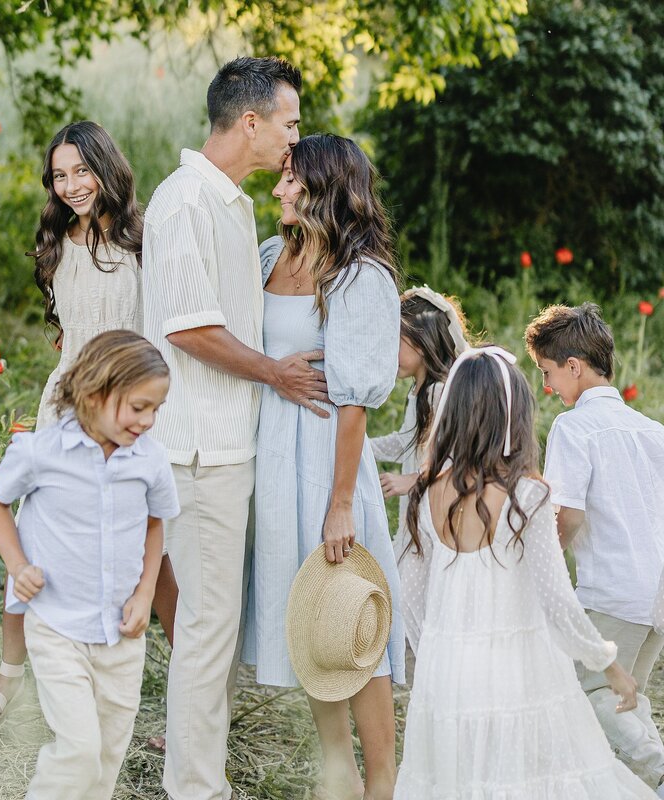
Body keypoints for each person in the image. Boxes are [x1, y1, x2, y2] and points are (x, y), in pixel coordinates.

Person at [143, 56, 327, 800]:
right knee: (207, 628)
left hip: (226, 443)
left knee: (210, 626)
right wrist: (276, 373)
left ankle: (197, 773)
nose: (294, 139)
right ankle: (196, 788)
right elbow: (190, 330)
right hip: (196, 447)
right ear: (249, 122)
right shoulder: (184, 200)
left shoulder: (236, 204)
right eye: (289, 123)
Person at [0, 120, 178, 730]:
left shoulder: (143, 241)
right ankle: (8, 679)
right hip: (65, 402)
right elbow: (70, 331)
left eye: (82, 171)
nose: (72, 186)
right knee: (35, 540)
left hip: (129, 404)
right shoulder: (57, 241)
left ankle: (181, 701)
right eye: (60, 176)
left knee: (149, 550)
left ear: (107, 168)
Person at [395, 345, 656, 799]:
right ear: (509, 415)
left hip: (449, 676)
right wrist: (608, 664)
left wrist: (442, 650)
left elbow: (412, 596)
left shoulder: (426, 495)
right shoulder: (526, 497)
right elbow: (558, 601)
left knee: (464, 780)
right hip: (518, 671)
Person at [241, 133, 405, 800]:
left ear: (326, 189)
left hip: (330, 460)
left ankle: (383, 780)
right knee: (316, 623)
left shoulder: (361, 276)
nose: (278, 191)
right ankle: (338, 771)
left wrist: (342, 503)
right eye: (280, 180)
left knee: (352, 616)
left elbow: (354, 402)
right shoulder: (271, 256)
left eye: (292, 182)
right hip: (276, 462)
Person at [0, 329, 180, 800]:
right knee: (79, 751)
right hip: (57, 627)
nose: (149, 420)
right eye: (138, 407)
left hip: (121, 637)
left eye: (156, 408)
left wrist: (146, 592)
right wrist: (17, 564)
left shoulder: (150, 460)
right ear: (94, 394)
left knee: (107, 758)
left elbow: (156, 525)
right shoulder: (40, 452)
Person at [525, 303, 664, 794]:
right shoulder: (653, 432)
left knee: (590, 692)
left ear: (574, 367)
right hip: (654, 599)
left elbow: (570, 515)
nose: (546, 387)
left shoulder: (574, 428)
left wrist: (544, 563)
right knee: (629, 699)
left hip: (611, 589)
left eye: (547, 373)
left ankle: (659, 773)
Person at [370, 287, 469, 560]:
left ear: (422, 341)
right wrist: (357, 447)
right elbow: (405, 443)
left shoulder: (441, 393)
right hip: (417, 515)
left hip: (437, 516)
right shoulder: (419, 392)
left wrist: (413, 480)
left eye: (396, 340)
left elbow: (460, 461)